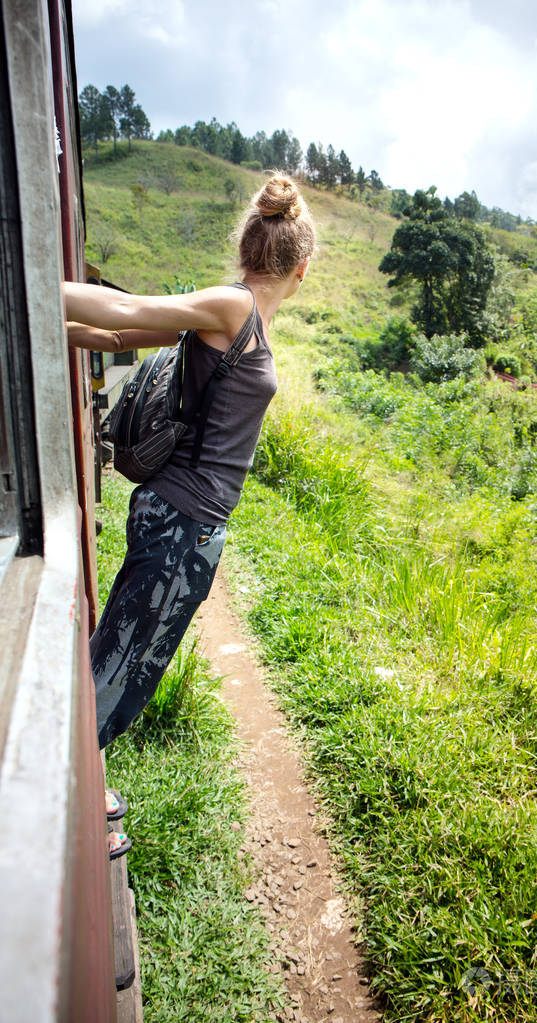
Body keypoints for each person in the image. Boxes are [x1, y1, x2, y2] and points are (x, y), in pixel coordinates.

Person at [64, 174, 315, 855]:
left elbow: (111, 327)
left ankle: (78, 787)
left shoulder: (236, 316)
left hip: (183, 526)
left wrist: (57, 319)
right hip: (180, 525)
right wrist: (34, 289)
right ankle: (61, 809)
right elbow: (128, 310)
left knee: (125, 668)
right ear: (299, 267)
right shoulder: (234, 307)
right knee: (116, 672)